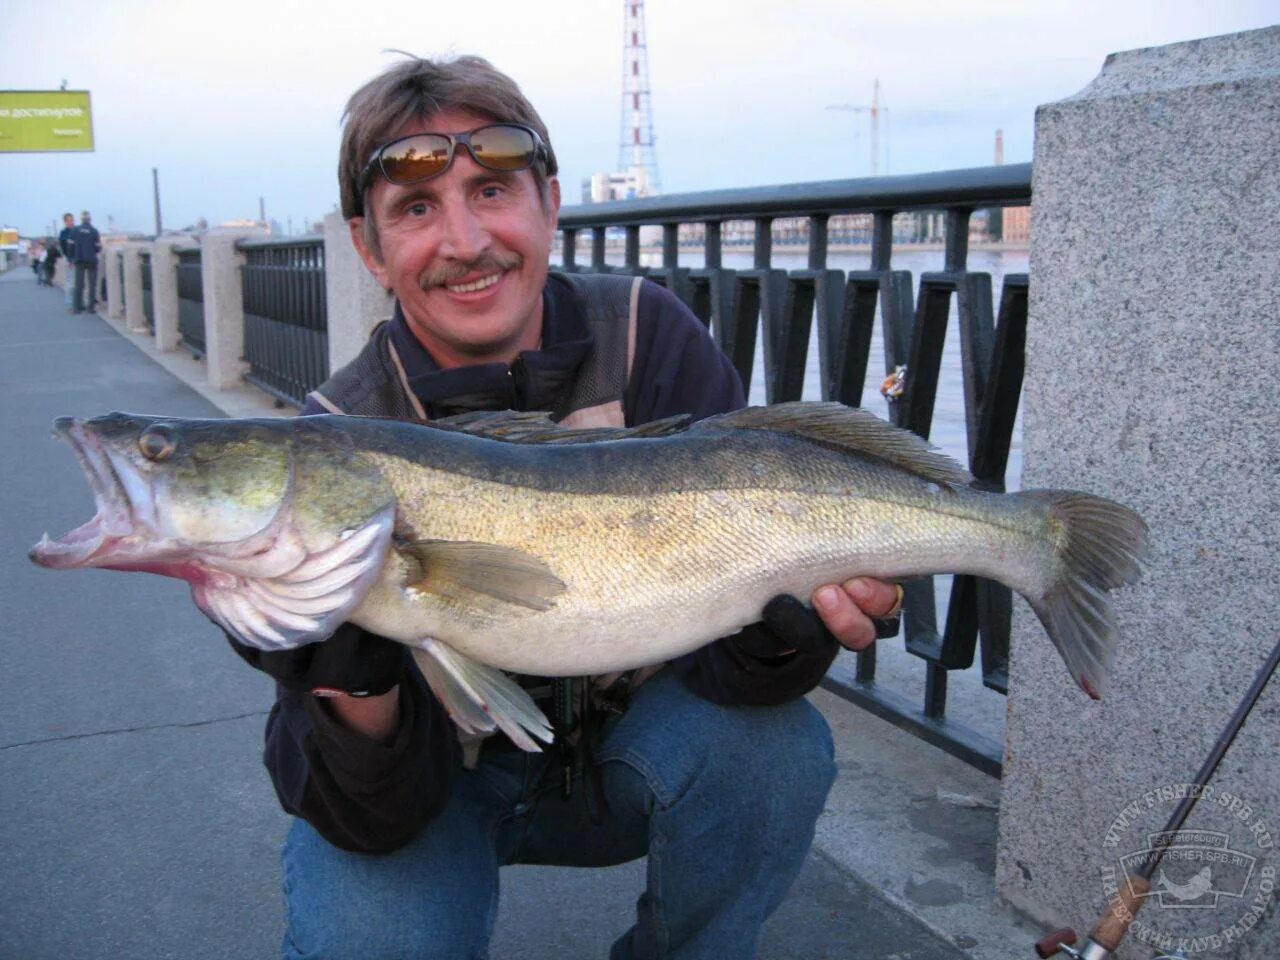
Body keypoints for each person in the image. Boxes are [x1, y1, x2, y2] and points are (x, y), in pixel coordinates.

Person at [229, 55, 905, 960]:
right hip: (434, 790)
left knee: (772, 755)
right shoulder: (328, 444)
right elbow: (369, 812)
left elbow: (741, 682)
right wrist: (353, 681)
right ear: (368, 247)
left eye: (494, 190)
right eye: (417, 209)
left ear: (551, 203)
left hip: (633, 752)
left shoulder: (648, 332)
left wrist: (784, 630)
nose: (467, 240)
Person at [69, 210, 101, 313]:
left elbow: (70, 246)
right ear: (89, 219)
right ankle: (91, 308)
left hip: (79, 259)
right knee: (92, 285)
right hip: (91, 260)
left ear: (81, 219)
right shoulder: (94, 231)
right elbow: (98, 248)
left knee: (78, 284)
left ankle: (76, 307)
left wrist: (71, 258)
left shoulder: (75, 230)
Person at [56, 213, 75, 308]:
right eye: (69, 221)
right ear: (65, 222)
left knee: (78, 283)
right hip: (70, 260)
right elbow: (64, 248)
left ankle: (77, 302)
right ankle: (69, 303)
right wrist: (69, 259)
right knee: (70, 282)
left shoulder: (77, 231)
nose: (71, 222)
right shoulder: (63, 234)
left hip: (79, 260)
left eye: (72, 220)